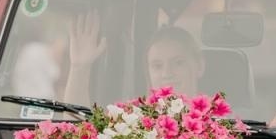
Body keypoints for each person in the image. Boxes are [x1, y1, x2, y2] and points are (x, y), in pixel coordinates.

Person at [64, 20, 204, 104]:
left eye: (178, 63)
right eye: (157, 66)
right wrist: (79, 68)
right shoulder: (132, 120)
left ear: (199, 66)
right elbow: (79, 135)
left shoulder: (221, 121)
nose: (166, 73)